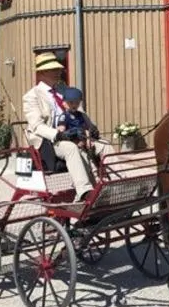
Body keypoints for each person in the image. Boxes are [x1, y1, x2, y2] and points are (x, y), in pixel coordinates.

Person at [22, 52, 113, 202]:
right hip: (51, 141)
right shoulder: (32, 96)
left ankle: (117, 181)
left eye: (58, 69)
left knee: (104, 145)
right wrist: (58, 135)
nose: (59, 72)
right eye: (54, 70)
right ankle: (85, 191)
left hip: (76, 134)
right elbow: (37, 126)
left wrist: (91, 129)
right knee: (71, 148)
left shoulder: (64, 91)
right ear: (43, 72)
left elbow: (80, 112)